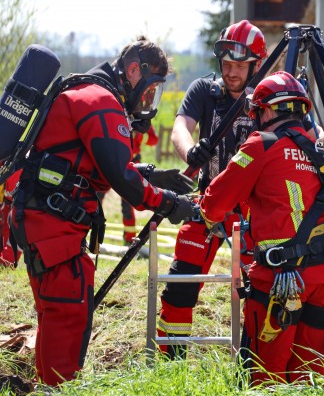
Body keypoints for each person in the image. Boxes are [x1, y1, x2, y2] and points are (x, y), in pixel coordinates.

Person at [8, 36, 196, 386]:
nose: (148, 101)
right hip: (52, 224)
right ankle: (56, 390)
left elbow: (87, 163)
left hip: (42, 217)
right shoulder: (100, 101)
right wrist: (169, 203)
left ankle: (48, 384)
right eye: (149, 90)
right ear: (133, 70)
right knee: (68, 312)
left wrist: (155, 175)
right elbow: (120, 177)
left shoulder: (87, 94)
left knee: (57, 312)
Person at [200, 71, 324, 384]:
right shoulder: (321, 151)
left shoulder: (261, 144)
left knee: (264, 374)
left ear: (267, 110)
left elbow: (215, 202)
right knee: (309, 375)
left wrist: (200, 210)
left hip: (281, 279)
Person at [156, 20, 265, 358]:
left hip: (255, 209)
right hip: (207, 200)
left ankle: (253, 364)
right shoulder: (204, 90)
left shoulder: (269, 97)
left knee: (260, 286)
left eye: (240, 66)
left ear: (257, 65)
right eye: (227, 64)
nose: (232, 72)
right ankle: (170, 362)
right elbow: (180, 127)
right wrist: (190, 151)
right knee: (180, 281)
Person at [121, 126, 160, 244]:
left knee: (127, 202)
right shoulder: (119, 113)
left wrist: (139, 136)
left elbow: (153, 140)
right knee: (98, 195)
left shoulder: (142, 119)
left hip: (133, 163)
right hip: (115, 161)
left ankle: (129, 237)